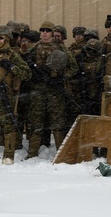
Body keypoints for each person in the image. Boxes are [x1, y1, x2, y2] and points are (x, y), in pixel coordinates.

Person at [23, 20, 77, 157]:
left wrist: (61, 78)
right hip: (38, 90)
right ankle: (32, 153)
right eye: (42, 31)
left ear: (52, 33)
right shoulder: (34, 48)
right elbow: (24, 64)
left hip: (55, 91)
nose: (44, 33)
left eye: (47, 31)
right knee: (36, 121)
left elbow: (74, 67)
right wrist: (33, 75)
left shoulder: (61, 48)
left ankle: (61, 153)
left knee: (58, 123)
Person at [0, 24, 31, 165]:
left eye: (1, 38)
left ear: (7, 40)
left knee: (9, 127)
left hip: (5, 97)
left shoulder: (12, 56)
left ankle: (8, 155)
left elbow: (27, 74)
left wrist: (11, 67)